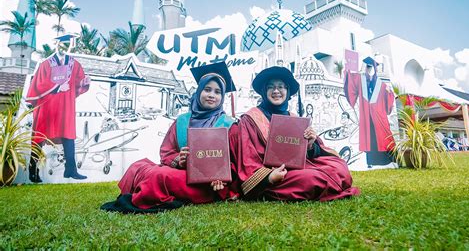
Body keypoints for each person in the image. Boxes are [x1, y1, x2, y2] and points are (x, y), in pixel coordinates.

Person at [101, 62, 239, 213]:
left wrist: (221, 177)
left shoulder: (228, 125)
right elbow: (167, 151)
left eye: (218, 92)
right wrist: (179, 159)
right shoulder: (182, 121)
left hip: (207, 184)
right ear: (199, 91)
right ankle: (137, 193)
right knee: (139, 166)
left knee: (159, 175)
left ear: (222, 96)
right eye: (207, 89)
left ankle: (144, 196)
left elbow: (235, 161)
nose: (212, 95)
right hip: (182, 172)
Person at [234, 66, 360, 201]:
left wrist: (310, 144)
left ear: (287, 91)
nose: (276, 91)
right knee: (310, 179)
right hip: (275, 173)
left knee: (339, 167)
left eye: (281, 87)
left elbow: (307, 154)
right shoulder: (251, 119)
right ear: (264, 91)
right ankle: (270, 189)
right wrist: (269, 177)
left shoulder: (294, 118)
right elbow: (248, 158)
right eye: (271, 87)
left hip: (299, 167)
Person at [26, 34, 90, 182]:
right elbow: (38, 85)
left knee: (68, 136)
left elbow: (79, 81)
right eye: (63, 44)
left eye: (68, 45)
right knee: (39, 137)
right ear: (57, 45)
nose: (65, 47)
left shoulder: (74, 64)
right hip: (46, 106)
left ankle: (71, 170)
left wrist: (84, 82)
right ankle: (32, 169)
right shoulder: (46, 64)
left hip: (65, 107)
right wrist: (57, 87)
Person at [344, 56, 395, 167]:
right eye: (367, 67)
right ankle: (371, 162)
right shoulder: (361, 79)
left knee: (383, 136)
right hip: (367, 116)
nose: (369, 69)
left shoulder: (382, 82)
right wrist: (348, 70)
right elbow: (351, 83)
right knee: (370, 138)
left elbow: (390, 98)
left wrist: (389, 92)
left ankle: (388, 161)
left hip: (379, 115)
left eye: (371, 67)